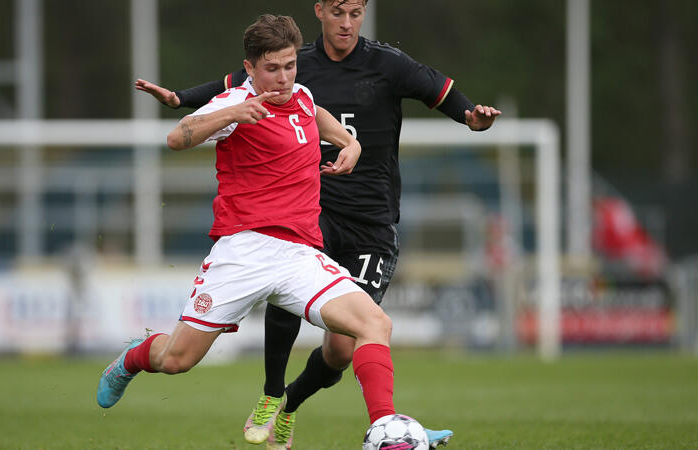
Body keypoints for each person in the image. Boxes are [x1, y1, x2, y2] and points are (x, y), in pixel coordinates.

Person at [136, 1, 498, 447]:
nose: (285, 76)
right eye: (338, 11)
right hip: (272, 237)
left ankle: (353, 418)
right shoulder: (264, 84)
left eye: (356, 12)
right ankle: (256, 388)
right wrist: (185, 100)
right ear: (320, 11)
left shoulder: (358, 72)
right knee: (177, 360)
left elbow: (332, 106)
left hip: (363, 224)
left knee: (356, 337)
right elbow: (198, 116)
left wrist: (354, 142)